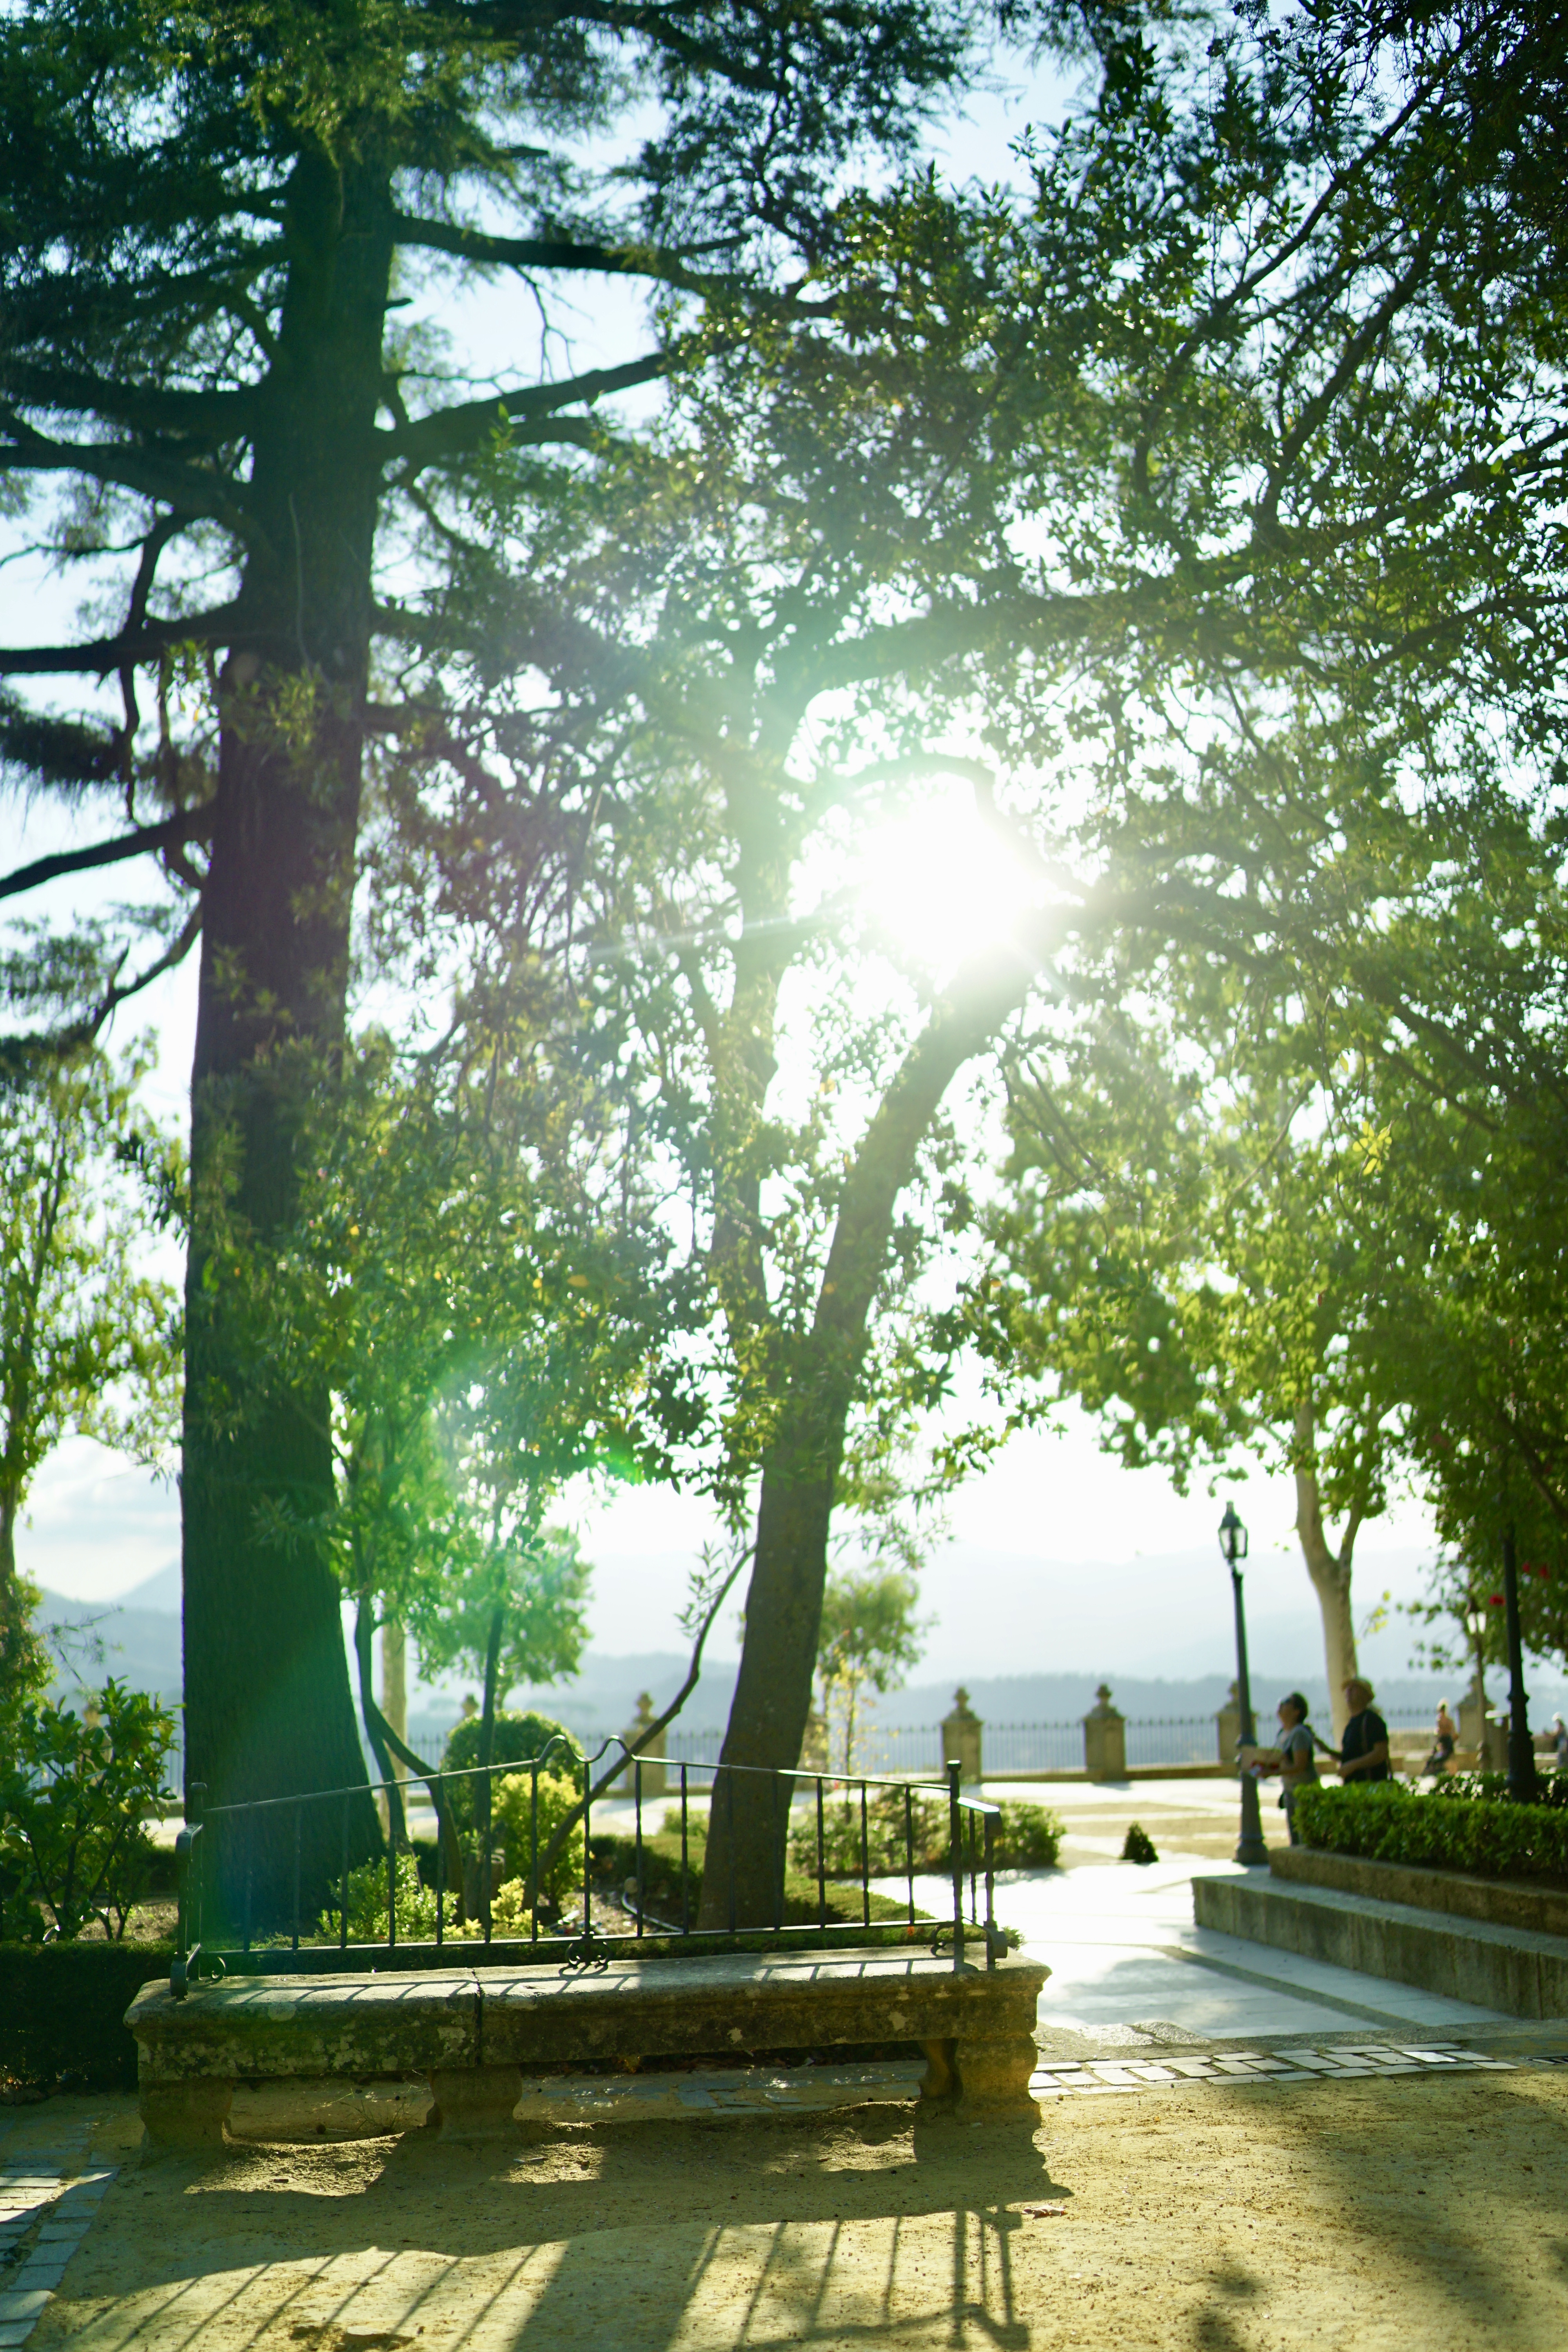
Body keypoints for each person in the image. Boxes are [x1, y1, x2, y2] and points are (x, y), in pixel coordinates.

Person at [1250, 1693, 1332, 1845]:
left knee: (1305, 1838)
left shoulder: (1299, 1733)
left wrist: (1272, 1772)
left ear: (1297, 1711)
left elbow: (1300, 1765)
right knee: (1295, 1836)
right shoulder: (1283, 1733)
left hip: (1303, 1791)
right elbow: (1281, 1759)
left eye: (1286, 1703)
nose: (1280, 1706)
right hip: (1290, 1790)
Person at [1339, 1678, 1391, 1783]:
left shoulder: (1372, 1721)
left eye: (1354, 1688)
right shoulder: (1351, 1724)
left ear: (1365, 1695)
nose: (1349, 1691)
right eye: (1348, 1688)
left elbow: (1380, 1753)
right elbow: (1352, 1754)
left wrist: (1353, 1766)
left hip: (1370, 1785)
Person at [1423, 1699, 1457, 1779]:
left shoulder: (1449, 1720)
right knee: (1436, 1755)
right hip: (1442, 1740)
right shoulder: (1440, 1720)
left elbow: (1452, 1731)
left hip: (1447, 1740)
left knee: (1448, 1756)